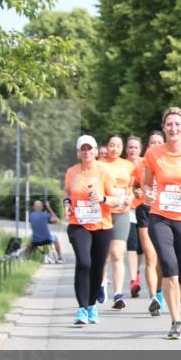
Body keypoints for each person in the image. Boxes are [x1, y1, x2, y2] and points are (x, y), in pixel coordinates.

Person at [143, 108, 181, 340]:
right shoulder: (153, 153)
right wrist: (148, 194)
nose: (173, 128)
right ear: (163, 127)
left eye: (177, 124)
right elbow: (147, 184)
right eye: (169, 124)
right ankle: (175, 322)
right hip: (160, 216)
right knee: (169, 268)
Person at [64, 135, 128, 326]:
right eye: (83, 149)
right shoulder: (72, 172)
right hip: (79, 224)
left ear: (95, 151)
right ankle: (82, 308)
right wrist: (67, 202)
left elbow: (117, 200)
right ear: (78, 153)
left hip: (102, 225)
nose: (87, 152)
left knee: (97, 267)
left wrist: (102, 199)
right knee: (84, 262)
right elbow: (67, 192)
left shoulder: (104, 171)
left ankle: (92, 305)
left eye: (90, 149)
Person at [102, 135, 136, 310]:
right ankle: (101, 283)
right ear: (106, 147)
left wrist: (130, 196)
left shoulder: (128, 165)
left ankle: (118, 295)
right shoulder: (100, 165)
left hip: (122, 212)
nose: (114, 148)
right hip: (103, 213)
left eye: (118, 146)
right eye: (111, 145)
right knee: (102, 255)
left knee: (117, 253)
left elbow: (133, 187)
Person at [136, 131, 166, 315]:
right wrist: (136, 192)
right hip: (145, 211)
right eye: (152, 142)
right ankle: (153, 297)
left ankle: (161, 292)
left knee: (162, 259)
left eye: (158, 142)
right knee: (151, 257)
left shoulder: (169, 162)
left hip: (164, 212)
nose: (155, 145)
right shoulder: (140, 164)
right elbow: (127, 185)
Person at [125, 135, 145, 298]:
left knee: (141, 249)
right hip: (129, 210)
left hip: (145, 209)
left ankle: (136, 273)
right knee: (132, 245)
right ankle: (134, 281)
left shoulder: (146, 164)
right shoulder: (122, 165)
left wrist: (140, 191)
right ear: (126, 149)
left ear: (140, 149)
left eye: (135, 147)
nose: (133, 150)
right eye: (130, 147)